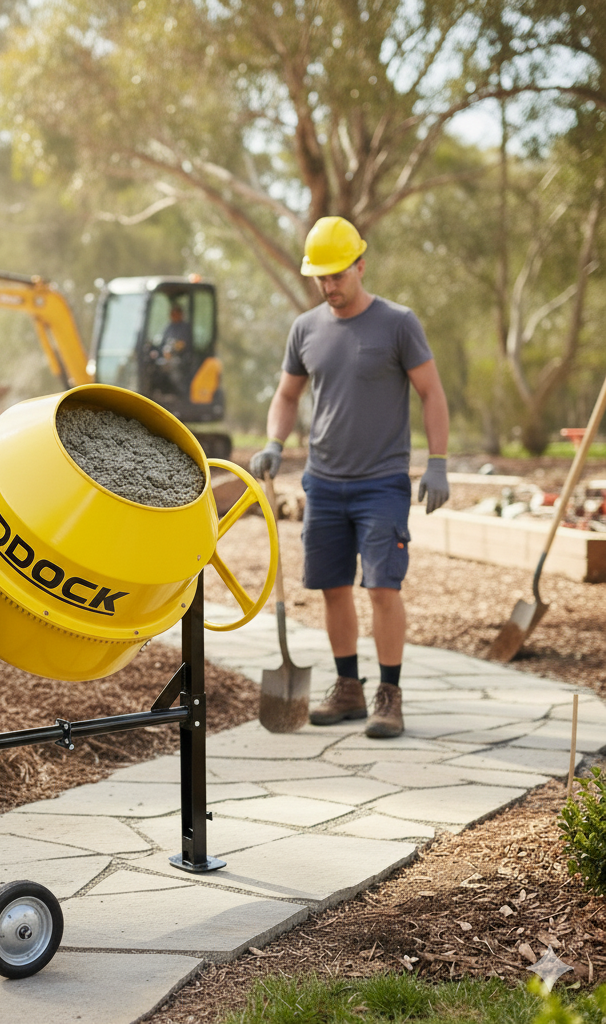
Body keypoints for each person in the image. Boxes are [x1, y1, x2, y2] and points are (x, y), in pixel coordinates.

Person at [250, 216, 450, 739]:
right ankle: (348, 688)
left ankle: (390, 693)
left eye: (338, 274)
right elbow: (288, 395)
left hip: (381, 482)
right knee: (332, 588)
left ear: (361, 264)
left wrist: (438, 461)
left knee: (383, 588)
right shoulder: (306, 328)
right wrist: (274, 441)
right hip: (323, 483)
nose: (329, 285)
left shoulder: (398, 323)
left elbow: (431, 392)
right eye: (321, 277)